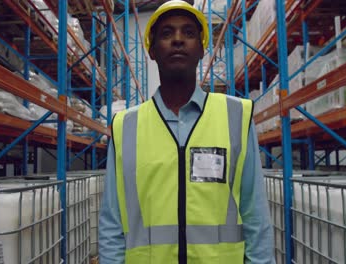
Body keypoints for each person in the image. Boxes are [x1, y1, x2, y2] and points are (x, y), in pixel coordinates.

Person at [99, 1, 275, 263]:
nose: (178, 40)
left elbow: (255, 214)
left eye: (189, 33)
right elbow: (112, 222)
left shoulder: (235, 116)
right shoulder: (126, 126)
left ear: (202, 49)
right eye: (167, 33)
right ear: (151, 51)